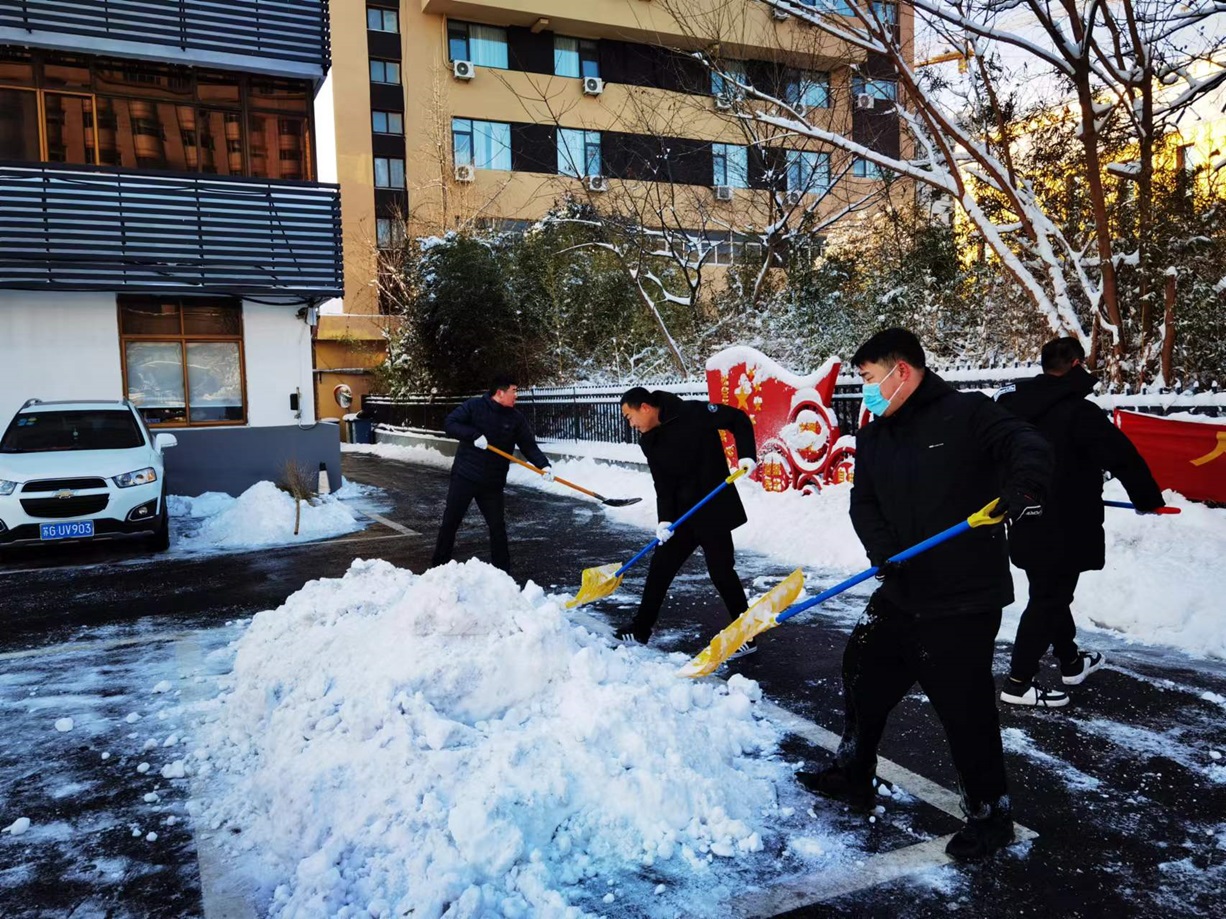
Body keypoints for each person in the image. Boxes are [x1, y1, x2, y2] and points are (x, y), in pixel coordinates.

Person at [798, 328, 1053, 860]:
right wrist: (883, 550)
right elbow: (863, 503)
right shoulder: (874, 436)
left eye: (869, 378)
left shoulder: (967, 413)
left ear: (902, 371)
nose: (865, 389)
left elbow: (1027, 443)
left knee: (965, 708)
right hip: (902, 588)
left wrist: (1024, 486)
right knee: (861, 674)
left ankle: (990, 816)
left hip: (963, 595)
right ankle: (853, 772)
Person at [995, 337, 1165, 708]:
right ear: (1075, 365)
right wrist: (1148, 500)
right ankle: (1018, 682)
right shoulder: (1078, 413)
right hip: (1066, 523)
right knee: (1049, 597)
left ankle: (1071, 662)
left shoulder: (1010, 409)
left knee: (1049, 592)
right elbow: (1123, 457)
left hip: (1025, 518)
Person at [617, 387, 758, 652]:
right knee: (660, 569)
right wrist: (664, 520)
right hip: (683, 517)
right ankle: (640, 630)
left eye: (629, 416)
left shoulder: (692, 412)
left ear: (644, 407)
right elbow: (663, 484)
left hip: (712, 510)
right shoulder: (649, 440)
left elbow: (737, 419)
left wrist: (747, 454)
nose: (631, 424)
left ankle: (746, 636)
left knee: (722, 573)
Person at [431, 373, 553, 574]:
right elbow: (450, 424)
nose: (516, 395)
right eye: (514, 391)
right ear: (500, 392)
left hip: (492, 482)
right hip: (466, 476)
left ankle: (502, 573)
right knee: (450, 522)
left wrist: (543, 465)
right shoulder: (474, 406)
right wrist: (473, 435)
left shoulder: (515, 418)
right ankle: (437, 569)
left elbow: (528, 445)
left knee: (497, 527)